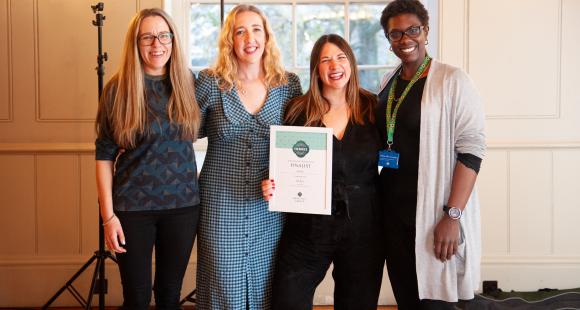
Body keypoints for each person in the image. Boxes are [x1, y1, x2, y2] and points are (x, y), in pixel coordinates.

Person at [376, 0, 486, 309]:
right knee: (407, 296)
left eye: (413, 30)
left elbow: (472, 150)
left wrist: (452, 216)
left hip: (433, 212)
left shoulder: (453, 81)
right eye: (395, 33)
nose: (405, 39)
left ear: (426, 31)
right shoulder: (388, 83)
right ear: (388, 40)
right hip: (394, 211)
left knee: (437, 301)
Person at [262, 34, 384, 310]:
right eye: (325, 59)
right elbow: (281, 163)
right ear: (316, 68)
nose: (334, 65)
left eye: (341, 57)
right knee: (287, 301)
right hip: (308, 225)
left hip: (363, 226)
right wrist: (271, 184)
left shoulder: (373, 107)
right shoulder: (298, 111)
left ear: (351, 63)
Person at [193, 4, 302, 309]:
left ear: (267, 37)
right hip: (219, 201)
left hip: (270, 204)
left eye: (256, 29)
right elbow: (184, 132)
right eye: (239, 31)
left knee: (266, 280)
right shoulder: (210, 82)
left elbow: (299, 143)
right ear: (230, 40)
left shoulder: (288, 84)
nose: (249, 37)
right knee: (222, 280)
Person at [94, 8, 200, 310]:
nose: (157, 44)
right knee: (137, 298)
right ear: (136, 43)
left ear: (173, 40)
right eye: (148, 37)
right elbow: (103, 155)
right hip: (132, 210)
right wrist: (108, 217)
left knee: (169, 295)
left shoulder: (188, 83)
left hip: (183, 207)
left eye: (164, 35)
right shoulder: (118, 89)